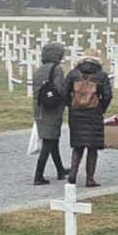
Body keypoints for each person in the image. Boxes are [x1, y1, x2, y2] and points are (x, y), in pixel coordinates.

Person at [62, 55, 115, 187]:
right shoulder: (101, 75)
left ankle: (73, 174)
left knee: (78, 146)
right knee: (92, 148)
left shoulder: (73, 74)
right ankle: (90, 179)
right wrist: (101, 108)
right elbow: (108, 95)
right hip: (94, 114)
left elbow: (64, 92)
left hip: (76, 114)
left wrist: (71, 105)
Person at [31, 44, 71, 184]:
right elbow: (60, 89)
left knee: (53, 140)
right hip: (51, 109)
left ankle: (60, 170)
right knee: (48, 142)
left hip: (40, 108)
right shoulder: (56, 69)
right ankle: (38, 176)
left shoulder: (40, 69)